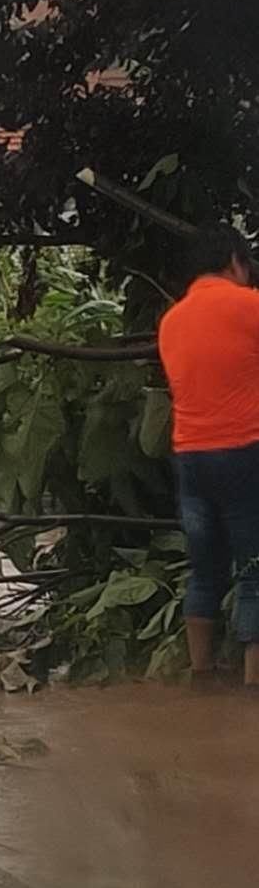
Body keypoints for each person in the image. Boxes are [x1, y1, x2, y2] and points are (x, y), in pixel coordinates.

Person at [157, 221, 259, 689]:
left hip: (191, 458)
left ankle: (201, 675)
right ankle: (254, 683)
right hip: (244, 452)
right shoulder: (249, 306)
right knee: (254, 566)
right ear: (235, 262)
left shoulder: (171, 321)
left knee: (205, 567)